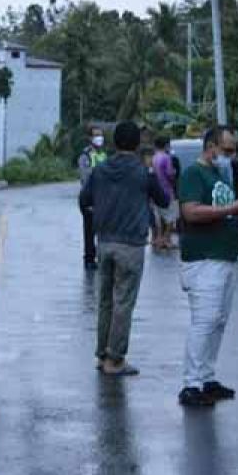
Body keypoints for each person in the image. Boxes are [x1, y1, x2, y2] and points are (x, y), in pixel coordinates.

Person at [177, 126, 238, 407]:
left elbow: (224, 214)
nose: (231, 155)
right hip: (204, 259)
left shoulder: (220, 175)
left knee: (218, 322)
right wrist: (231, 210)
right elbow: (191, 211)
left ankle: (206, 377)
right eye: (226, 150)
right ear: (210, 147)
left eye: (234, 150)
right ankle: (191, 383)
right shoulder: (193, 174)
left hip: (224, 257)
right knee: (205, 321)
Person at [79, 122, 169, 376]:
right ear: (137, 143)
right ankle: (115, 359)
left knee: (106, 300)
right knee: (123, 303)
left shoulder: (100, 169)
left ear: (114, 143)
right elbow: (162, 199)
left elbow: (84, 200)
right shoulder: (143, 173)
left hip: (104, 242)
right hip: (131, 245)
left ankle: (102, 353)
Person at [78, 126, 109, 271]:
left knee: (104, 228)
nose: (99, 138)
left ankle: (102, 257)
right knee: (90, 229)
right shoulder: (85, 155)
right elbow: (85, 177)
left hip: (104, 196)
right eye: (96, 135)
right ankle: (89, 258)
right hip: (90, 196)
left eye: (101, 135)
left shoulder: (104, 154)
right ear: (90, 138)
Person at [152, 136, 179, 250]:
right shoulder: (166, 158)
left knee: (158, 217)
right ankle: (167, 239)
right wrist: (174, 172)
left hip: (155, 190)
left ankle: (158, 239)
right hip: (167, 190)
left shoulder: (154, 158)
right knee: (171, 216)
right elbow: (170, 174)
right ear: (166, 145)